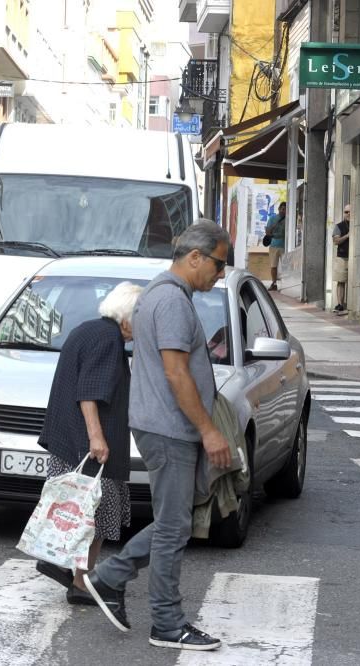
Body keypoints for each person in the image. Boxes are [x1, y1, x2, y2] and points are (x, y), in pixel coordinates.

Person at [82, 221, 232, 652]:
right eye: (219, 264)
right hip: (169, 428)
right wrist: (208, 430)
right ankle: (165, 622)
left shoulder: (161, 295)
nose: (221, 273)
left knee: (174, 523)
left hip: (161, 425)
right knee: (172, 528)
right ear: (195, 257)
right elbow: (175, 372)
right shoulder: (170, 301)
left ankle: (109, 579)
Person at [34, 282, 143, 607]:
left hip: (68, 441)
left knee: (79, 510)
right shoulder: (108, 340)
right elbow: (89, 393)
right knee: (96, 514)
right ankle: (80, 580)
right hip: (89, 447)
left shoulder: (87, 331)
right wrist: (97, 438)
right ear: (127, 318)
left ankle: (70, 570)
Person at [264, 202, 287, 291]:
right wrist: (271, 231)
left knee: (286, 266)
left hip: (285, 245)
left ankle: (286, 284)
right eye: (282, 208)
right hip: (274, 245)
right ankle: (274, 283)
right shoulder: (273, 218)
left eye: (285, 209)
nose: (283, 210)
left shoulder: (288, 219)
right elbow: (267, 231)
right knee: (273, 266)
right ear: (279, 209)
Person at [332, 205, 351, 313]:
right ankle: (340, 304)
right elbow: (336, 241)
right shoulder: (339, 226)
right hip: (342, 258)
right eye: (346, 212)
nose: (348, 214)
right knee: (340, 281)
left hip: (354, 258)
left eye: (350, 212)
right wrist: (347, 236)